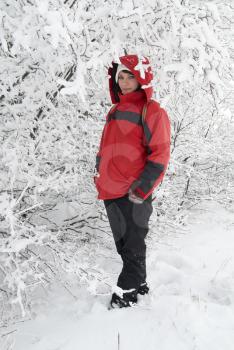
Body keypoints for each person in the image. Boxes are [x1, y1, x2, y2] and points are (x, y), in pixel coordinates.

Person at [94, 54, 170, 308]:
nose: (125, 82)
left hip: (133, 192)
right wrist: (98, 172)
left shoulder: (153, 111)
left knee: (133, 246)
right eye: (121, 77)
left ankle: (123, 297)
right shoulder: (114, 110)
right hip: (110, 190)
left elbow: (160, 154)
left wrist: (141, 188)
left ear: (142, 80)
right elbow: (105, 148)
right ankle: (141, 286)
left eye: (131, 77)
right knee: (125, 246)